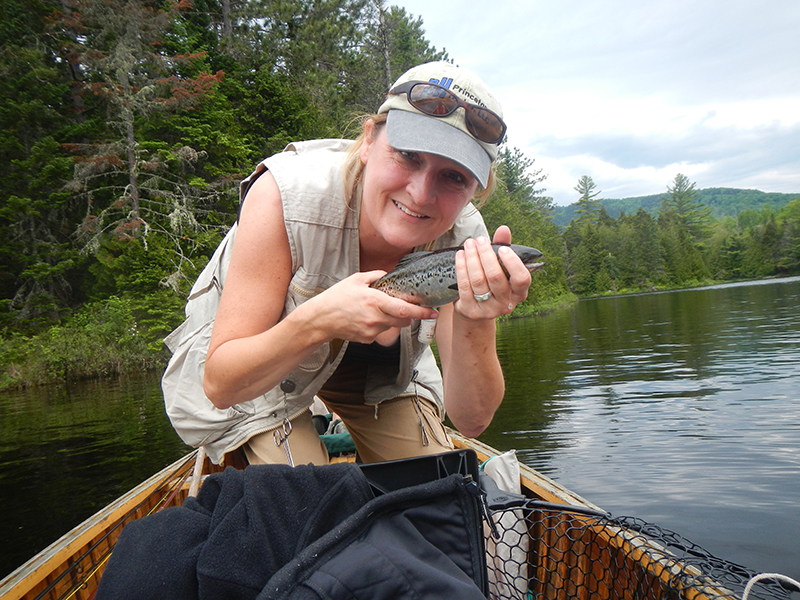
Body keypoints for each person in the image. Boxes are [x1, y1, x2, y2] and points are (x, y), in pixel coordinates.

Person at [200, 61, 533, 466]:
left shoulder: (467, 239)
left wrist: (476, 318)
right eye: (408, 155)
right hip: (262, 378)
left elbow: (472, 419)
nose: (420, 193)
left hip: (382, 381)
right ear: (368, 141)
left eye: (454, 177)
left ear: (474, 191)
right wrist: (321, 320)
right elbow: (221, 385)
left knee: (433, 492)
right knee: (309, 504)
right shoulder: (283, 195)